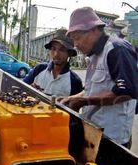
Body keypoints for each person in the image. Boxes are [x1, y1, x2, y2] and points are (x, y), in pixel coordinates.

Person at [59, 7, 138, 148]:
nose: (76, 45)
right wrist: (73, 98)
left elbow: (126, 92)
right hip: (94, 132)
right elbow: (92, 89)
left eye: (77, 38)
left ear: (94, 30)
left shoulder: (117, 49)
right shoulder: (94, 56)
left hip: (112, 139)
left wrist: (84, 101)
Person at [23, 29, 83, 96]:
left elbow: (74, 105)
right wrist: (30, 89)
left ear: (70, 53)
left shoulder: (75, 81)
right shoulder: (39, 69)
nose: (56, 54)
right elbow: (21, 87)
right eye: (53, 49)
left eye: (62, 50)